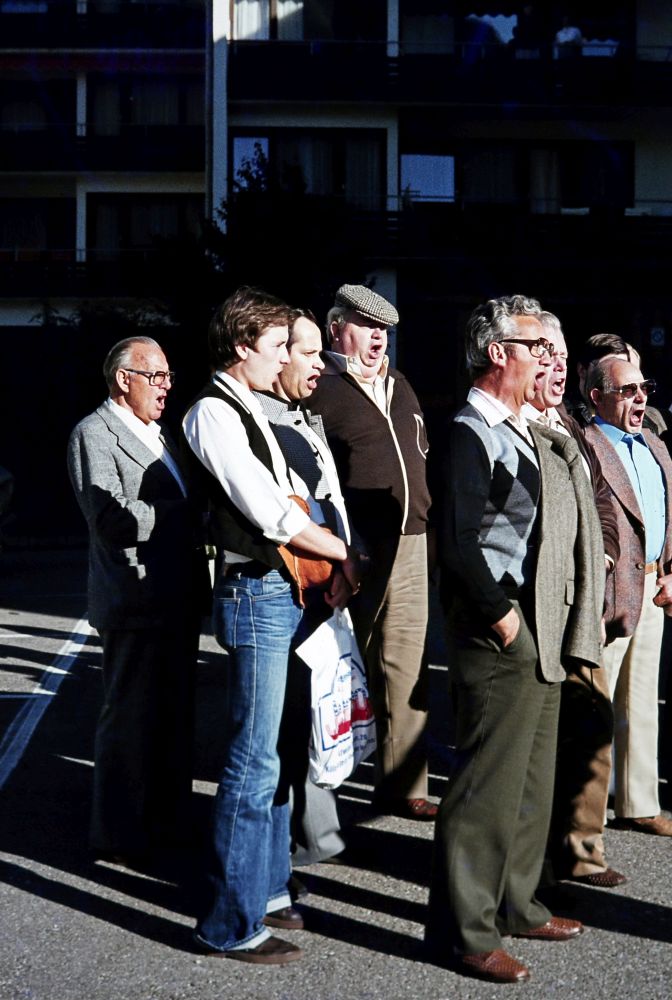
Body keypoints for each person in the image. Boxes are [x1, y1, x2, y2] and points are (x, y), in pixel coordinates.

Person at [425, 295, 604, 984]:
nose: (548, 359)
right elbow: (458, 543)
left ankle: (519, 904)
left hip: (538, 622)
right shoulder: (470, 432)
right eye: (537, 348)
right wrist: (503, 619)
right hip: (498, 627)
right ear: (498, 353)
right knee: (486, 785)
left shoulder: (525, 427)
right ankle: (465, 932)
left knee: (532, 776)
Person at [182, 287, 362, 965]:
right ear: (242, 346)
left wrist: (331, 556)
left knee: (282, 751)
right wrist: (345, 553)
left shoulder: (252, 408)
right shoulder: (212, 411)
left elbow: (300, 496)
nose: (287, 358)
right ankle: (228, 923)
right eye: (278, 345)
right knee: (252, 761)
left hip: (285, 590)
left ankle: (269, 888)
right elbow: (273, 511)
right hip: (256, 593)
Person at [67, 336, 204, 867]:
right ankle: (118, 834)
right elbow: (110, 519)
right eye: (156, 376)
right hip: (134, 601)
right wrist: (179, 515)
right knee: (130, 721)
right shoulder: (94, 432)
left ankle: (168, 826)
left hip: (176, 598)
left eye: (168, 376)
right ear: (124, 380)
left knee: (172, 720)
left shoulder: (161, 433)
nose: (166, 387)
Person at [309, 283, 434, 820]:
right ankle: (319, 789)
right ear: (337, 327)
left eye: (383, 329)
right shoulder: (319, 385)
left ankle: (404, 785)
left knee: (406, 663)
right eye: (367, 326)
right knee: (344, 661)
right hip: (351, 546)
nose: (379, 337)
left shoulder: (399, 383)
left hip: (411, 539)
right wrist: (340, 546)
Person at [521, 311, 626, 888]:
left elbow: (602, 500)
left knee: (592, 725)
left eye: (563, 356)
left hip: (583, 606)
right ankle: (533, 869)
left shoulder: (570, 425)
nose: (557, 365)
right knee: (538, 744)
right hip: (537, 609)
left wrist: (603, 553)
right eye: (546, 354)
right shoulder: (510, 424)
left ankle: (583, 851)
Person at [252, 308, 352, 866]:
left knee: (320, 712)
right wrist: (343, 557)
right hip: (287, 594)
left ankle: (316, 833)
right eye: (310, 353)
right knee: (286, 726)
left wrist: (346, 563)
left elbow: (331, 501)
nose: (320, 365)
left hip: (324, 588)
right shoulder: (259, 422)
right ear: (279, 353)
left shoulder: (303, 416)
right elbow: (286, 519)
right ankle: (283, 848)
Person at [584, 356, 672, 836]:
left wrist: (670, 569)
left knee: (640, 702)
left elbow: (668, 511)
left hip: (653, 585)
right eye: (627, 390)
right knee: (596, 706)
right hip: (610, 591)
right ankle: (587, 814)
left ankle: (640, 803)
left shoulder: (654, 445)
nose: (640, 399)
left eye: (644, 389)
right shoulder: (587, 444)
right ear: (597, 397)